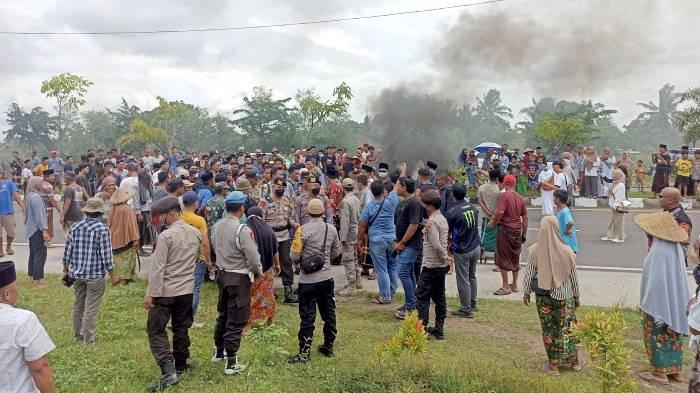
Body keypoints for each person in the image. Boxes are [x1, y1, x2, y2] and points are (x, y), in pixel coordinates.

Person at [145, 196, 201, 390]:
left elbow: (158, 268)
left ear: (171, 213)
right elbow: (195, 260)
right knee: (181, 327)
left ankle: (169, 372)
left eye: (163, 216)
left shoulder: (166, 236)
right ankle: (182, 364)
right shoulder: (195, 233)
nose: (161, 220)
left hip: (165, 291)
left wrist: (150, 294)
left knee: (155, 330)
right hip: (186, 289)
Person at [522, 216, 583, 376]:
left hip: (544, 297)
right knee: (568, 328)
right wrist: (576, 296)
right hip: (565, 297)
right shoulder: (567, 250)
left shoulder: (535, 250)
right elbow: (573, 276)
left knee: (549, 330)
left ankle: (553, 365)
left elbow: (529, 273)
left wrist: (526, 291)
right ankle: (574, 362)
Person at [635, 211, 690, 385]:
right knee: (674, 335)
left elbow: (656, 283)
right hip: (675, 304)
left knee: (656, 334)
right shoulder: (676, 250)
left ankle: (659, 373)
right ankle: (675, 371)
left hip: (658, 305)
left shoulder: (658, 252)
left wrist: (647, 304)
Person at [211, 191, 263, 374]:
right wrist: (258, 273)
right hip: (238, 277)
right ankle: (231, 363)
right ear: (242, 208)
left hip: (222, 274)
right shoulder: (242, 230)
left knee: (223, 314)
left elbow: (214, 246)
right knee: (237, 318)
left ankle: (218, 352)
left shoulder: (217, 226)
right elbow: (253, 257)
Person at [288, 198, 341, 363]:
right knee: (329, 313)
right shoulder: (331, 229)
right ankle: (328, 347)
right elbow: (336, 252)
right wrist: (324, 260)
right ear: (323, 212)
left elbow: (293, 256)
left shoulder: (302, 230)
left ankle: (304, 354)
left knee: (307, 317)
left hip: (307, 280)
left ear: (307, 212)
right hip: (326, 278)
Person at [63, 198, 117, 345]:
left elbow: (68, 250)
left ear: (86, 212)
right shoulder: (102, 229)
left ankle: (77, 335)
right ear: (100, 213)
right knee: (91, 307)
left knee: (78, 304)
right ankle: (89, 340)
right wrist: (113, 276)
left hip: (77, 274)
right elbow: (106, 256)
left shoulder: (75, 226)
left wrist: (65, 269)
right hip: (95, 276)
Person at [0, 261, 57, 393]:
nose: (18, 291)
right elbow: (40, 368)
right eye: (16, 287)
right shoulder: (22, 320)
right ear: (6, 294)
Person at [358, 174, 401, 305]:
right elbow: (398, 184)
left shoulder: (368, 207)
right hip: (392, 240)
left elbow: (362, 225)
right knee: (393, 266)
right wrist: (403, 171)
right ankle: (391, 292)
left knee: (381, 269)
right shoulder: (391, 201)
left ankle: (385, 296)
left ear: (371, 192)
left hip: (377, 241)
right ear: (384, 191)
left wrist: (358, 240)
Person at [416, 192, 451, 340]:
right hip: (440, 266)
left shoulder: (432, 222)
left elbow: (436, 245)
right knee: (439, 297)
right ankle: (439, 329)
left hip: (432, 264)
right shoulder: (441, 218)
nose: (423, 206)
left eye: (425, 204)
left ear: (430, 206)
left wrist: (445, 258)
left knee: (422, 297)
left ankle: (422, 330)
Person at [488, 175, 528, 295]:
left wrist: (492, 223)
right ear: (514, 184)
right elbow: (525, 218)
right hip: (517, 230)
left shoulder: (504, 195)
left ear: (504, 184)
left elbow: (500, 211)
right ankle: (514, 284)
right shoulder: (519, 198)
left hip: (506, 229)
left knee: (502, 257)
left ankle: (505, 286)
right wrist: (524, 234)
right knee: (515, 256)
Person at [244, 207, 280, 334]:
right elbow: (275, 249)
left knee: (250, 296)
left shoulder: (245, 229)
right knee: (268, 294)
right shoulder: (268, 229)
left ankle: (248, 324)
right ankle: (271, 319)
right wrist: (277, 264)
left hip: (250, 270)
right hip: (267, 269)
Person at [446, 184, 480, 318]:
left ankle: (466, 308)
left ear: (452, 195)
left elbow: (447, 231)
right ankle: (472, 302)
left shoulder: (452, 212)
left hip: (462, 249)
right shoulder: (473, 207)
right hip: (475, 246)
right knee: (472, 276)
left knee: (463, 279)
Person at [263, 176, 299, 303]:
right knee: (268, 263)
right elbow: (261, 220)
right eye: (278, 187)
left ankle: (288, 291)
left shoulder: (288, 201)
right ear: (273, 187)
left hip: (284, 235)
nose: (281, 190)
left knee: (286, 262)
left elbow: (290, 217)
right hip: (270, 235)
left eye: (283, 188)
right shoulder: (265, 201)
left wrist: (294, 225)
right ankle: (267, 291)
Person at [392, 176, 423, 318]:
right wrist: (396, 240)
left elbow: (414, 224)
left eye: (398, 185)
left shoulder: (414, 203)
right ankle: (410, 302)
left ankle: (410, 307)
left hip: (411, 245)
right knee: (408, 273)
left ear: (404, 188)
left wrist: (402, 242)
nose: (396, 187)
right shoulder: (404, 202)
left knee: (403, 272)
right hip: (404, 243)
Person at [180, 191, 211, 326]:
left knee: (180, 286)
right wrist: (208, 261)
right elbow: (204, 242)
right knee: (195, 289)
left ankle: (177, 316)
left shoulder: (178, 217)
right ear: (195, 203)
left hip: (180, 257)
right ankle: (189, 319)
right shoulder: (199, 220)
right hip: (197, 257)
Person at [108, 188, 140, 287]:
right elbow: (132, 225)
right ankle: (124, 280)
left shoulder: (112, 208)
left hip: (114, 237)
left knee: (116, 258)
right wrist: (136, 239)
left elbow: (109, 223)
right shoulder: (127, 209)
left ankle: (116, 278)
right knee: (127, 257)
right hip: (125, 237)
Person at [336, 178, 362, 297]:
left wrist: (343, 237)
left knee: (348, 258)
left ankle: (352, 286)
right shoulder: (356, 199)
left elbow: (345, 221)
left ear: (342, 188)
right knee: (355, 257)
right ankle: (357, 281)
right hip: (356, 230)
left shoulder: (346, 202)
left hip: (349, 232)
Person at [25, 176, 51, 288]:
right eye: (41, 182)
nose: (43, 184)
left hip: (31, 230)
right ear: (36, 184)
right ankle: (37, 281)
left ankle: (31, 278)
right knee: (40, 254)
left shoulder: (29, 195)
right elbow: (40, 216)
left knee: (33, 254)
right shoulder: (36, 197)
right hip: (37, 230)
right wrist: (44, 231)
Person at [0, 170, 23, 256]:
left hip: (8, 212)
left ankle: (8, 246)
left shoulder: (9, 183)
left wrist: (22, 205)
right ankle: (0, 250)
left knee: (11, 233)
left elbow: (15, 195)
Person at [478, 170, 500, 257]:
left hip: (486, 215)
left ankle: (481, 250)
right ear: (497, 178)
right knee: (496, 234)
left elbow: (480, 201)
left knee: (484, 232)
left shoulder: (482, 188)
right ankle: (497, 251)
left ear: (489, 177)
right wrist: (494, 215)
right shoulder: (498, 189)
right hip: (496, 216)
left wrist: (487, 212)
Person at [601, 169, 626, 243]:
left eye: (614, 174)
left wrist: (615, 207)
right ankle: (610, 235)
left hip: (618, 206)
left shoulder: (620, 185)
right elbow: (610, 194)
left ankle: (620, 237)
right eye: (612, 174)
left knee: (619, 222)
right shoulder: (614, 183)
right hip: (613, 205)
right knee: (611, 221)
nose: (612, 176)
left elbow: (620, 197)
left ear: (619, 175)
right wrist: (604, 186)